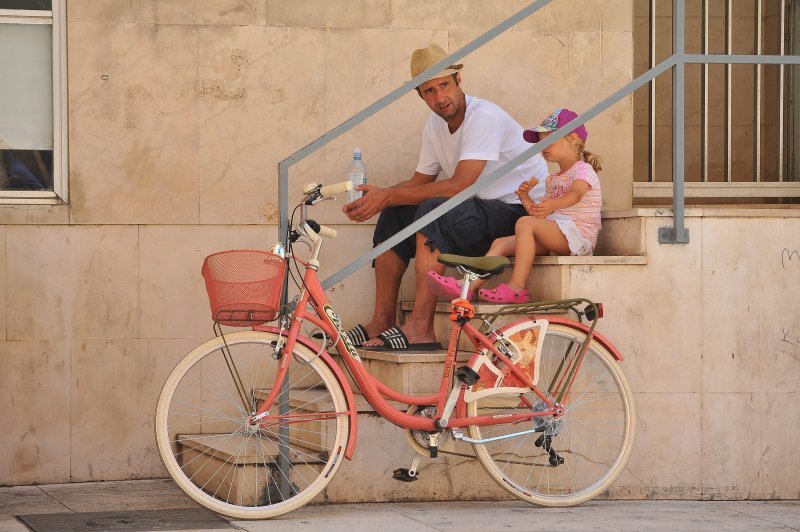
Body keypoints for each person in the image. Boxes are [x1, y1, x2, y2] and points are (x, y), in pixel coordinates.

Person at [342, 43, 548, 350]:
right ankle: (382, 319)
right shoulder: (434, 126)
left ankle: (421, 327)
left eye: (444, 86)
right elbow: (419, 181)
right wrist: (379, 197)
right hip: (481, 209)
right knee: (396, 211)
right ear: (420, 95)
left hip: (520, 212)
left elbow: (460, 186)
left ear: (458, 80)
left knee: (431, 209)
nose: (440, 98)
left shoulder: (484, 117)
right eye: (429, 91)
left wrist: (389, 195)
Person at [426, 108, 603, 305]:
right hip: (559, 232)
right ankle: (466, 286)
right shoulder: (553, 179)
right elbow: (541, 215)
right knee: (501, 243)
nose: (542, 145)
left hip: (578, 236)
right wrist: (526, 199)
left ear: (571, 139)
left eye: (548, 139)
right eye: (540, 140)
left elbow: (576, 194)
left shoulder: (583, 170)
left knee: (525, 224)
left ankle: (517, 287)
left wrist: (552, 204)